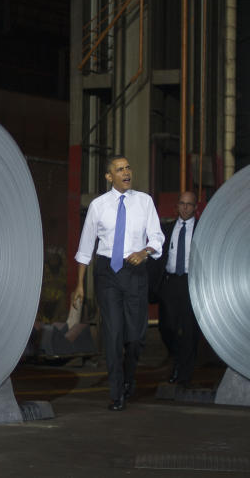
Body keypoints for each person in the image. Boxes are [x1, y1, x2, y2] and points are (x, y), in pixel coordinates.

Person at [73, 155, 164, 411]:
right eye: (120, 169)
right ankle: (116, 393)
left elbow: (157, 237)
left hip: (135, 272)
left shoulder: (144, 202)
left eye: (128, 167)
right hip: (107, 274)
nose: (126, 172)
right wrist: (79, 285)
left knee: (135, 338)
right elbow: (85, 247)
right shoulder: (98, 206)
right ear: (109, 176)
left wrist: (144, 252)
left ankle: (128, 378)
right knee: (113, 335)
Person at [158, 191, 200, 386]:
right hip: (170, 282)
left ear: (195, 207)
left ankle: (184, 372)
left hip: (192, 283)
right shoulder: (166, 229)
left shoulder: (202, 229)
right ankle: (176, 357)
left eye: (189, 204)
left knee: (190, 329)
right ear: (177, 206)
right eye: (182, 204)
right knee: (167, 326)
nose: (185, 207)